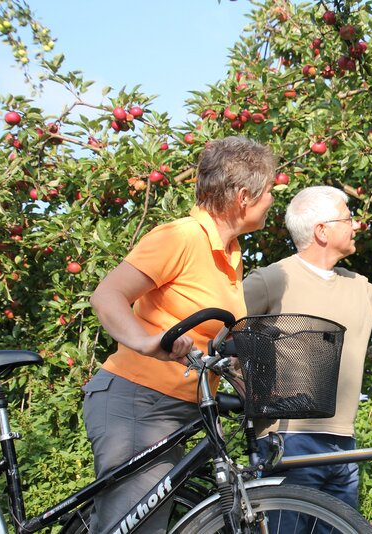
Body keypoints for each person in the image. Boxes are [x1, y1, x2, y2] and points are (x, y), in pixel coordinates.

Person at [83, 136, 277, 533]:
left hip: (182, 411)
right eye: (270, 190)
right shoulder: (182, 237)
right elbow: (107, 295)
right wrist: (144, 341)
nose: (273, 200)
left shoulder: (229, 254)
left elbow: (214, 336)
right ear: (244, 195)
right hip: (139, 403)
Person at [243, 185, 372, 510]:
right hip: (288, 440)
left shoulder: (357, 285)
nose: (356, 225)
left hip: (344, 442)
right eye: (348, 218)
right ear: (322, 231)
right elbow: (220, 328)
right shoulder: (273, 279)